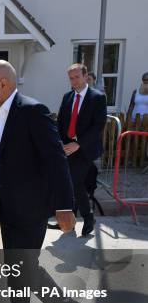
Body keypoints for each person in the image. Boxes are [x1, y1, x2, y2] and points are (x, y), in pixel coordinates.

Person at [0, 60, 83, 303]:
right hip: (7, 205)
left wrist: (64, 206)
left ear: (4, 84)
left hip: (31, 206)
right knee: (17, 267)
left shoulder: (33, 111)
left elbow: (56, 159)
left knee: (24, 267)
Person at [55, 63, 107, 236]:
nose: (74, 81)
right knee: (65, 182)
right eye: (71, 78)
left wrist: (78, 144)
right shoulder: (67, 97)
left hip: (85, 149)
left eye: (77, 77)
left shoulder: (97, 97)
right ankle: (68, 221)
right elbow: (61, 122)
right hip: (67, 148)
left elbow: (98, 125)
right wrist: (61, 143)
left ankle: (88, 216)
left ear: (86, 76)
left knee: (74, 181)